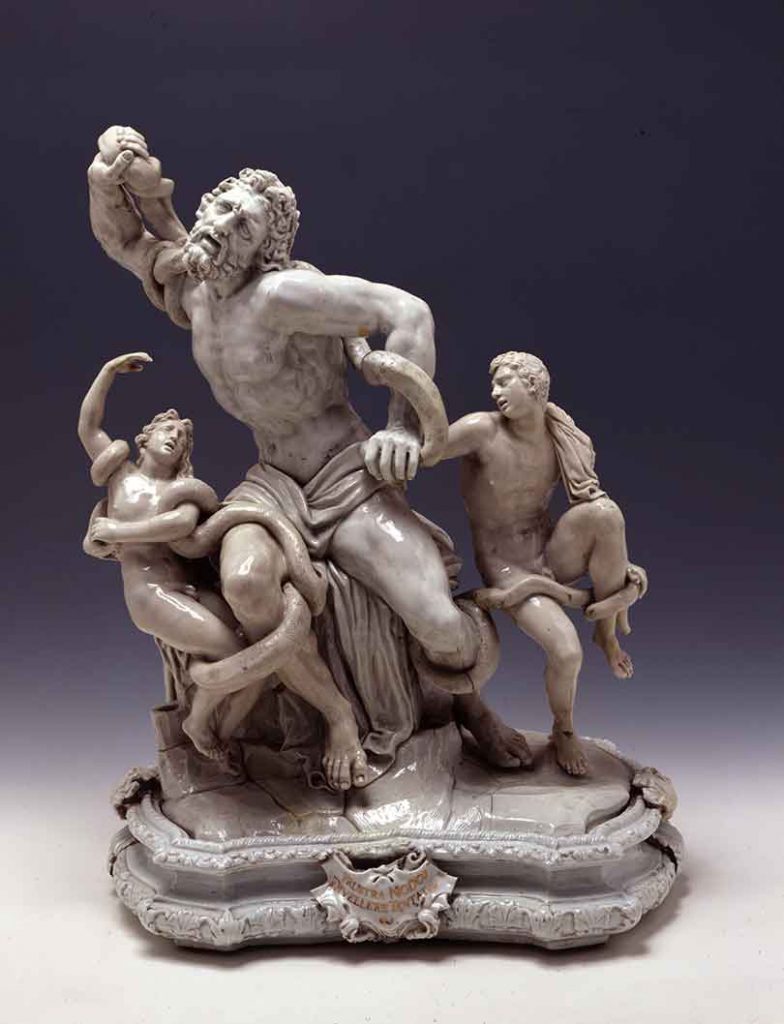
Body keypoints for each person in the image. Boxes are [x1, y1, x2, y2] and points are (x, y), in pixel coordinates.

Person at [87, 125, 530, 769]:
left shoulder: (281, 296)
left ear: (263, 251)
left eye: (244, 225)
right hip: (271, 486)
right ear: (204, 205)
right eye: (222, 208)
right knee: (245, 584)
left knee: (438, 623)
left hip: (345, 480)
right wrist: (104, 184)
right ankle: (336, 718)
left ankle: (470, 708)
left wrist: (401, 426)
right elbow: (128, 241)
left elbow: (408, 312)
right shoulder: (192, 288)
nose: (223, 225)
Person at [79, 351, 368, 790]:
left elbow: (180, 528)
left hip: (186, 590)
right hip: (150, 594)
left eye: (181, 437)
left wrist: (117, 530)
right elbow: (89, 426)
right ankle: (199, 725)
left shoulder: (184, 493)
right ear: (144, 437)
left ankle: (217, 729)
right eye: (167, 430)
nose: (174, 438)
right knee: (241, 657)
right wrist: (107, 372)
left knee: (253, 651)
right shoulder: (121, 476)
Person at [440, 351, 648, 775]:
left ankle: (606, 632)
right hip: (507, 566)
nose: (494, 392)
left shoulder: (562, 435)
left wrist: (621, 563)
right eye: (493, 384)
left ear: (533, 386)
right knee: (566, 653)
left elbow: (592, 502)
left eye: (504, 382)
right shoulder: (481, 430)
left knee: (606, 514)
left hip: (548, 552)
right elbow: (424, 451)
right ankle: (564, 728)